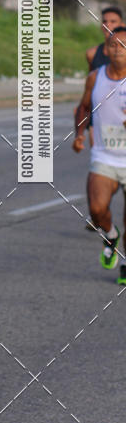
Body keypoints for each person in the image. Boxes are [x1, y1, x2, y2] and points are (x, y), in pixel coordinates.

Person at [73, 27, 126, 284]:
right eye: (114, 45)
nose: (118, 49)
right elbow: (84, 106)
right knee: (96, 209)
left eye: (124, 45)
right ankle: (110, 234)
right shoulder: (95, 78)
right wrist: (79, 134)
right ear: (106, 50)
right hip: (104, 155)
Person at [82, 6, 125, 229]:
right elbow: (90, 91)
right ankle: (99, 211)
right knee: (100, 162)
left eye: (114, 21)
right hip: (101, 123)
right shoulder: (93, 54)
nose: (109, 25)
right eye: (105, 21)